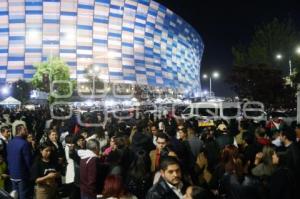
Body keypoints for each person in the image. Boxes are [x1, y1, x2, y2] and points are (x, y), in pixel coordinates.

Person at [7, 124, 33, 199]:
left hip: (12, 173)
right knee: (23, 195)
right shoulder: (24, 143)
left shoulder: (10, 142)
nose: (27, 131)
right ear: (20, 131)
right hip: (22, 175)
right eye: (25, 130)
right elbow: (28, 161)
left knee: (14, 195)